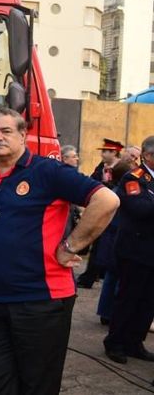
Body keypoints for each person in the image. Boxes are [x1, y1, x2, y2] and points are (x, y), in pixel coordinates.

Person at [0, 107, 118, 395]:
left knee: (37, 385)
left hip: (41, 301)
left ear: (23, 135)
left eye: (6, 131)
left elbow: (106, 200)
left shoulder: (48, 171)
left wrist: (71, 246)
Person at [103, 136, 154, 364]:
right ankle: (115, 342)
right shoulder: (133, 178)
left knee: (148, 302)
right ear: (148, 156)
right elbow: (139, 208)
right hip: (135, 250)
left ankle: (135, 342)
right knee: (128, 298)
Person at [79, 138, 124, 288]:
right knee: (97, 243)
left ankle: (94, 275)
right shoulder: (102, 167)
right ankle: (91, 276)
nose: (102, 154)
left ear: (114, 152)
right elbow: (93, 180)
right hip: (100, 209)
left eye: (105, 151)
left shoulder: (123, 168)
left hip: (114, 213)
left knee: (105, 245)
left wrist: (106, 185)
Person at [94, 161, 132, 326]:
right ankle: (111, 313)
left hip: (110, 239)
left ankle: (105, 313)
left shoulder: (113, 191)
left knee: (111, 278)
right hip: (117, 239)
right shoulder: (121, 195)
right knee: (118, 279)